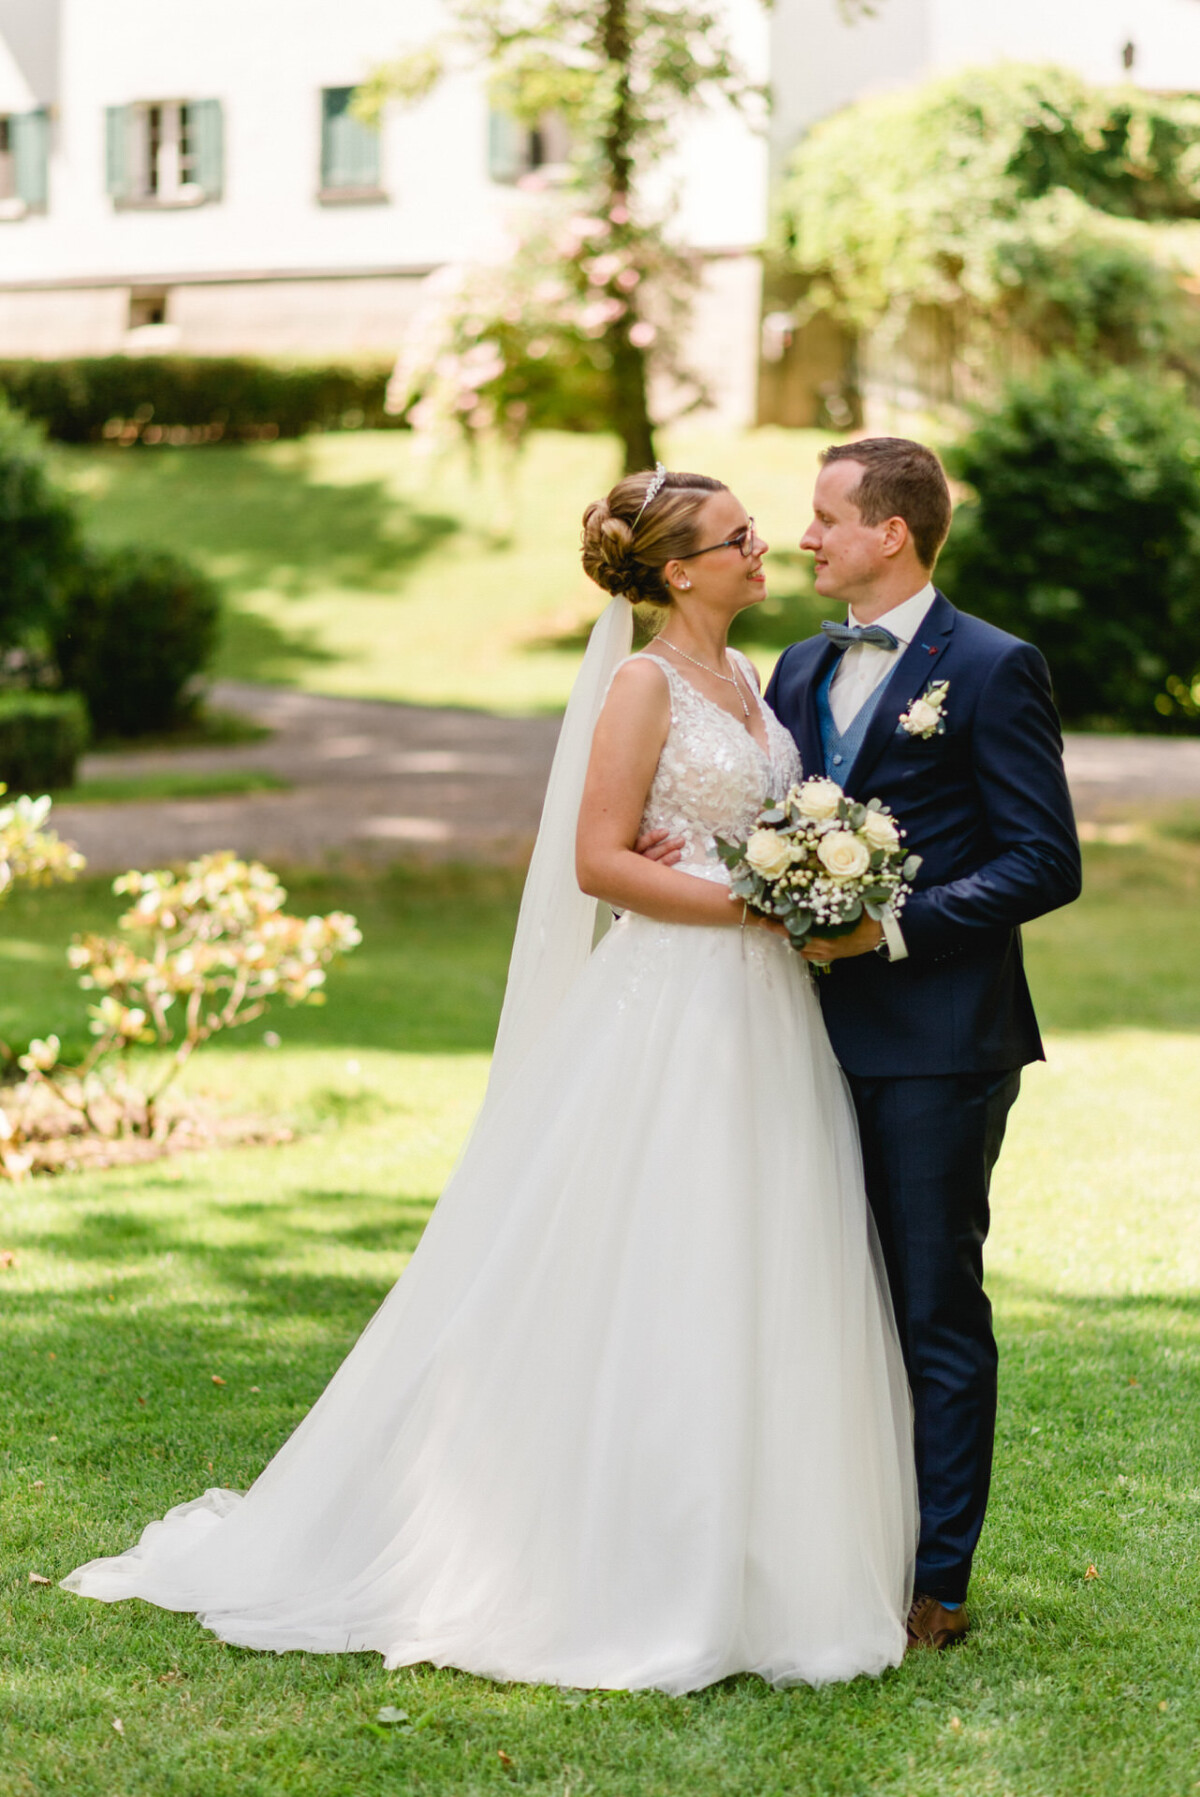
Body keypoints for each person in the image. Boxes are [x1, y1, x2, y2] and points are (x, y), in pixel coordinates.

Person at [62, 469, 917, 1694]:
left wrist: (800, 888)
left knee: (763, 1253)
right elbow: (598, 861)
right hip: (673, 1009)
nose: (762, 546)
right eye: (739, 537)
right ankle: (615, 1557)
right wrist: (759, 898)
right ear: (679, 571)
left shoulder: (754, 681)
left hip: (765, 1013)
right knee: (658, 1255)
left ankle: (761, 1556)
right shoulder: (643, 684)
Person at [642, 439, 1082, 1650]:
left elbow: (1046, 861)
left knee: (930, 1303)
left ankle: (936, 1581)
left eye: (827, 517)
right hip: (781, 1037)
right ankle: (814, 1547)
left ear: (892, 533)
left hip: (939, 1040)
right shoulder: (790, 663)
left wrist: (889, 930)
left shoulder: (992, 668)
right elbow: (759, 816)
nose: (804, 538)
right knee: (811, 1295)